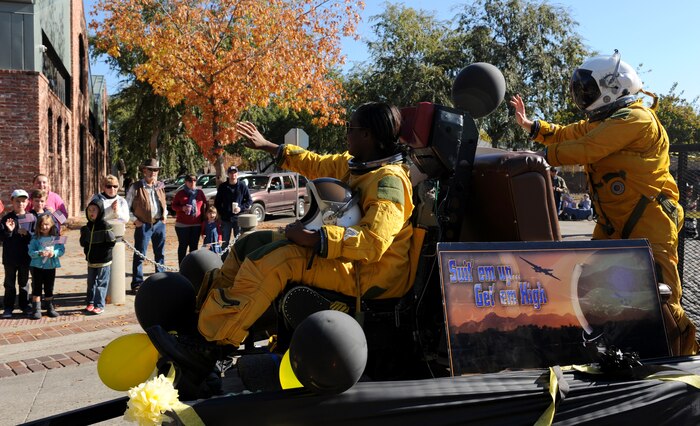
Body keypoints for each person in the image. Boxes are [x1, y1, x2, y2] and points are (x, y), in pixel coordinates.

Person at [148, 101, 415, 377]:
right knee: (249, 245)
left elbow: (373, 241)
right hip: (350, 259)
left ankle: (209, 348)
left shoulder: (388, 181)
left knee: (278, 260)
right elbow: (313, 162)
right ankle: (201, 325)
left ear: (368, 135)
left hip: (372, 275)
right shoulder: (357, 166)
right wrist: (268, 146)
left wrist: (316, 238)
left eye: (351, 127)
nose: (347, 133)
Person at [510, 49, 698, 355]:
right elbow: (569, 134)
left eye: (588, 90)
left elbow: (587, 148)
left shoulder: (637, 118)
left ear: (613, 88)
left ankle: (684, 359)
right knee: (585, 283)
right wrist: (533, 127)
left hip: (650, 221)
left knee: (662, 297)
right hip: (613, 226)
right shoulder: (605, 120)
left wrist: (541, 157)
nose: (583, 97)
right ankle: (611, 346)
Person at [126, 158, 168, 292]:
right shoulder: (135, 186)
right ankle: (137, 283)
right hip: (143, 224)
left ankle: (160, 279)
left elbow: (164, 203)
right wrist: (135, 220)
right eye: (150, 169)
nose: (153, 172)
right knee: (140, 255)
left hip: (159, 224)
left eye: (155, 170)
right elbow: (126, 207)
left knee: (160, 254)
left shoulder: (160, 185)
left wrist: (165, 216)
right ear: (144, 170)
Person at [80, 199, 117, 315]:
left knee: (101, 283)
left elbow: (111, 242)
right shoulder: (87, 227)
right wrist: (83, 238)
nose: (91, 212)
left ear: (100, 211)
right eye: (89, 210)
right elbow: (83, 243)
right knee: (91, 283)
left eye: (94, 210)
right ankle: (90, 302)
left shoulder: (105, 226)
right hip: (91, 260)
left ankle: (99, 305)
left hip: (103, 261)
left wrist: (104, 252)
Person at [1, 190, 33, 318]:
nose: (20, 203)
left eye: (23, 201)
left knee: (24, 282)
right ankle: (8, 307)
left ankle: (24, 305)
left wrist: (27, 234)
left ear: (27, 202)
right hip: (10, 258)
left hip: (25, 257)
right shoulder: (6, 218)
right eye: (17, 201)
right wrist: (9, 231)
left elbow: (36, 237)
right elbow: (2, 238)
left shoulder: (31, 217)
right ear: (12, 201)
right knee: (9, 283)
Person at [28, 214, 65, 319]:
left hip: (50, 267)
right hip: (37, 267)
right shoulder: (35, 238)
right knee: (37, 288)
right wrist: (40, 253)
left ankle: (50, 308)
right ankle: (36, 310)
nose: (44, 227)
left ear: (52, 225)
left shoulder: (57, 238)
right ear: (38, 226)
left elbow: (62, 250)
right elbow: (30, 252)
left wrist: (54, 253)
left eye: (47, 224)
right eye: (42, 225)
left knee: (49, 288)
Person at [172, 174, 208, 264]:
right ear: (185, 182)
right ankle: (182, 266)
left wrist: (206, 217)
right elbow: (173, 206)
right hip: (182, 225)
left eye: (194, 180)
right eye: (190, 181)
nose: (192, 182)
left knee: (194, 247)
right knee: (183, 246)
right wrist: (182, 208)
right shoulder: (180, 193)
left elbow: (206, 204)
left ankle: (191, 267)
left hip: (197, 224)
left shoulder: (200, 192)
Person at [214, 165, 252, 248]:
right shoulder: (223, 187)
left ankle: (238, 260)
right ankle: (224, 260)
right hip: (226, 219)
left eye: (235, 173)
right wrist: (222, 212)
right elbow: (217, 202)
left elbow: (249, 201)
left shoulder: (242, 186)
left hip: (238, 219)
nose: (233, 175)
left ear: (237, 174)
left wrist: (240, 208)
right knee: (225, 243)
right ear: (228, 174)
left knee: (239, 242)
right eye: (231, 173)